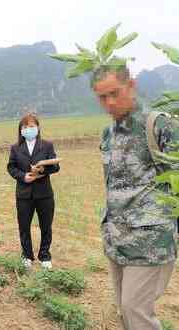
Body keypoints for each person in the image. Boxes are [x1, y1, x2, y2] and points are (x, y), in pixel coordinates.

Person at [93, 65, 177, 329]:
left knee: (136, 310)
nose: (110, 103)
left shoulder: (159, 125)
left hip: (150, 242)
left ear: (131, 85)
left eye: (115, 93)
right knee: (126, 313)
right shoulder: (108, 134)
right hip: (116, 240)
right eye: (102, 97)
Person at [7, 113, 60, 270]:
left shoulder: (47, 145)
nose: (28, 129)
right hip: (24, 194)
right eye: (25, 127)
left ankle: (45, 255)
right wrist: (23, 176)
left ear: (37, 128)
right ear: (20, 130)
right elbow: (11, 167)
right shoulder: (16, 148)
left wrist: (43, 169)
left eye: (31, 126)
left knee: (46, 225)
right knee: (24, 226)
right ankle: (27, 255)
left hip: (44, 193)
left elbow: (56, 166)